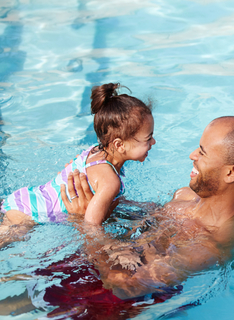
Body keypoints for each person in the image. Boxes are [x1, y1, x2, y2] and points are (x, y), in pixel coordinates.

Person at [59, 116, 234, 300]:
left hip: (108, 302)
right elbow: (141, 219)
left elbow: (125, 288)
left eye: (202, 152)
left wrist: (83, 223)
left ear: (231, 173)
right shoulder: (184, 195)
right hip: (98, 260)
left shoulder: (208, 246)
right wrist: (98, 197)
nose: (192, 155)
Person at [0, 83, 156, 233]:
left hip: (27, 197)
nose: (153, 142)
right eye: (148, 138)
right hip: (27, 215)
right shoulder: (110, 182)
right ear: (120, 145)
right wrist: (113, 248)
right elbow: (91, 226)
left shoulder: (95, 151)